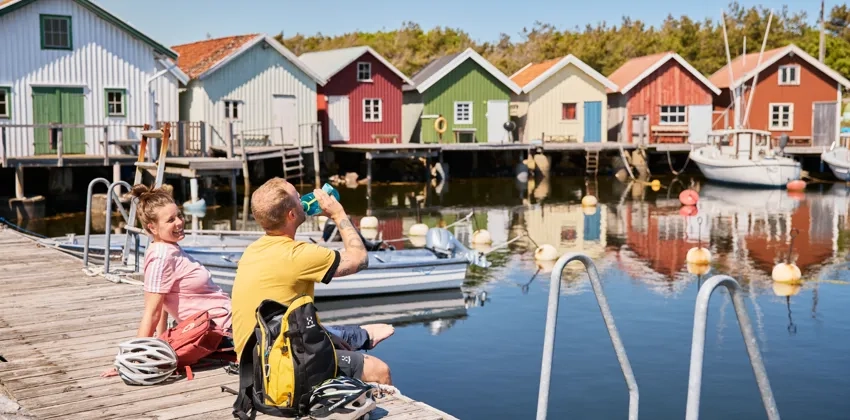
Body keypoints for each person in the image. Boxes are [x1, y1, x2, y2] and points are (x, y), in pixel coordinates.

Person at [231, 178, 394, 385]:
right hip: (278, 368)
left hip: (253, 362)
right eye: (298, 198)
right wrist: (338, 214)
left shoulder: (252, 251)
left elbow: (288, 318)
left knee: (336, 339)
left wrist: (329, 340)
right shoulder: (298, 254)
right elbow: (360, 258)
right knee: (379, 370)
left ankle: (353, 342)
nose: (304, 199)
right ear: (291, 215)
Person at [102, 184, 233, 377]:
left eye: (179, 215)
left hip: (226, 322)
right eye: (170, 220)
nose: (179, 222)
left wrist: (162, 342)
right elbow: (152, 312)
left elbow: (163, 304)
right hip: (222, 333)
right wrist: (132, 360)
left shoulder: (171, 248)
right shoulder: (162, 256)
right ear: (152, 227)